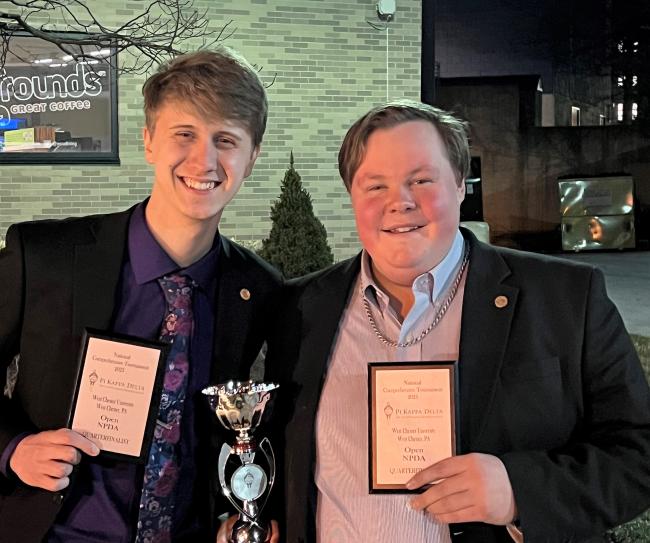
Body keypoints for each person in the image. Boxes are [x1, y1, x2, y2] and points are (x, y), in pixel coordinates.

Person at [268, 100, 650, 542]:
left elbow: (638, 452)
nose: (400, 203)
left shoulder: (565, 298)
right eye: (375, 186)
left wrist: (519, 492)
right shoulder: (301, 308)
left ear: (460, 184)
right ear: (352, 195)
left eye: (421, 180)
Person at [0, 48, 282, 543]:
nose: (205, 160)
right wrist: (12, 450)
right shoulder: (44, 257)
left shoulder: (258, 289)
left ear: (252, 156)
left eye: (226, 140)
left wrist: (238, 510)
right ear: (148, 140)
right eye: (185, 135)